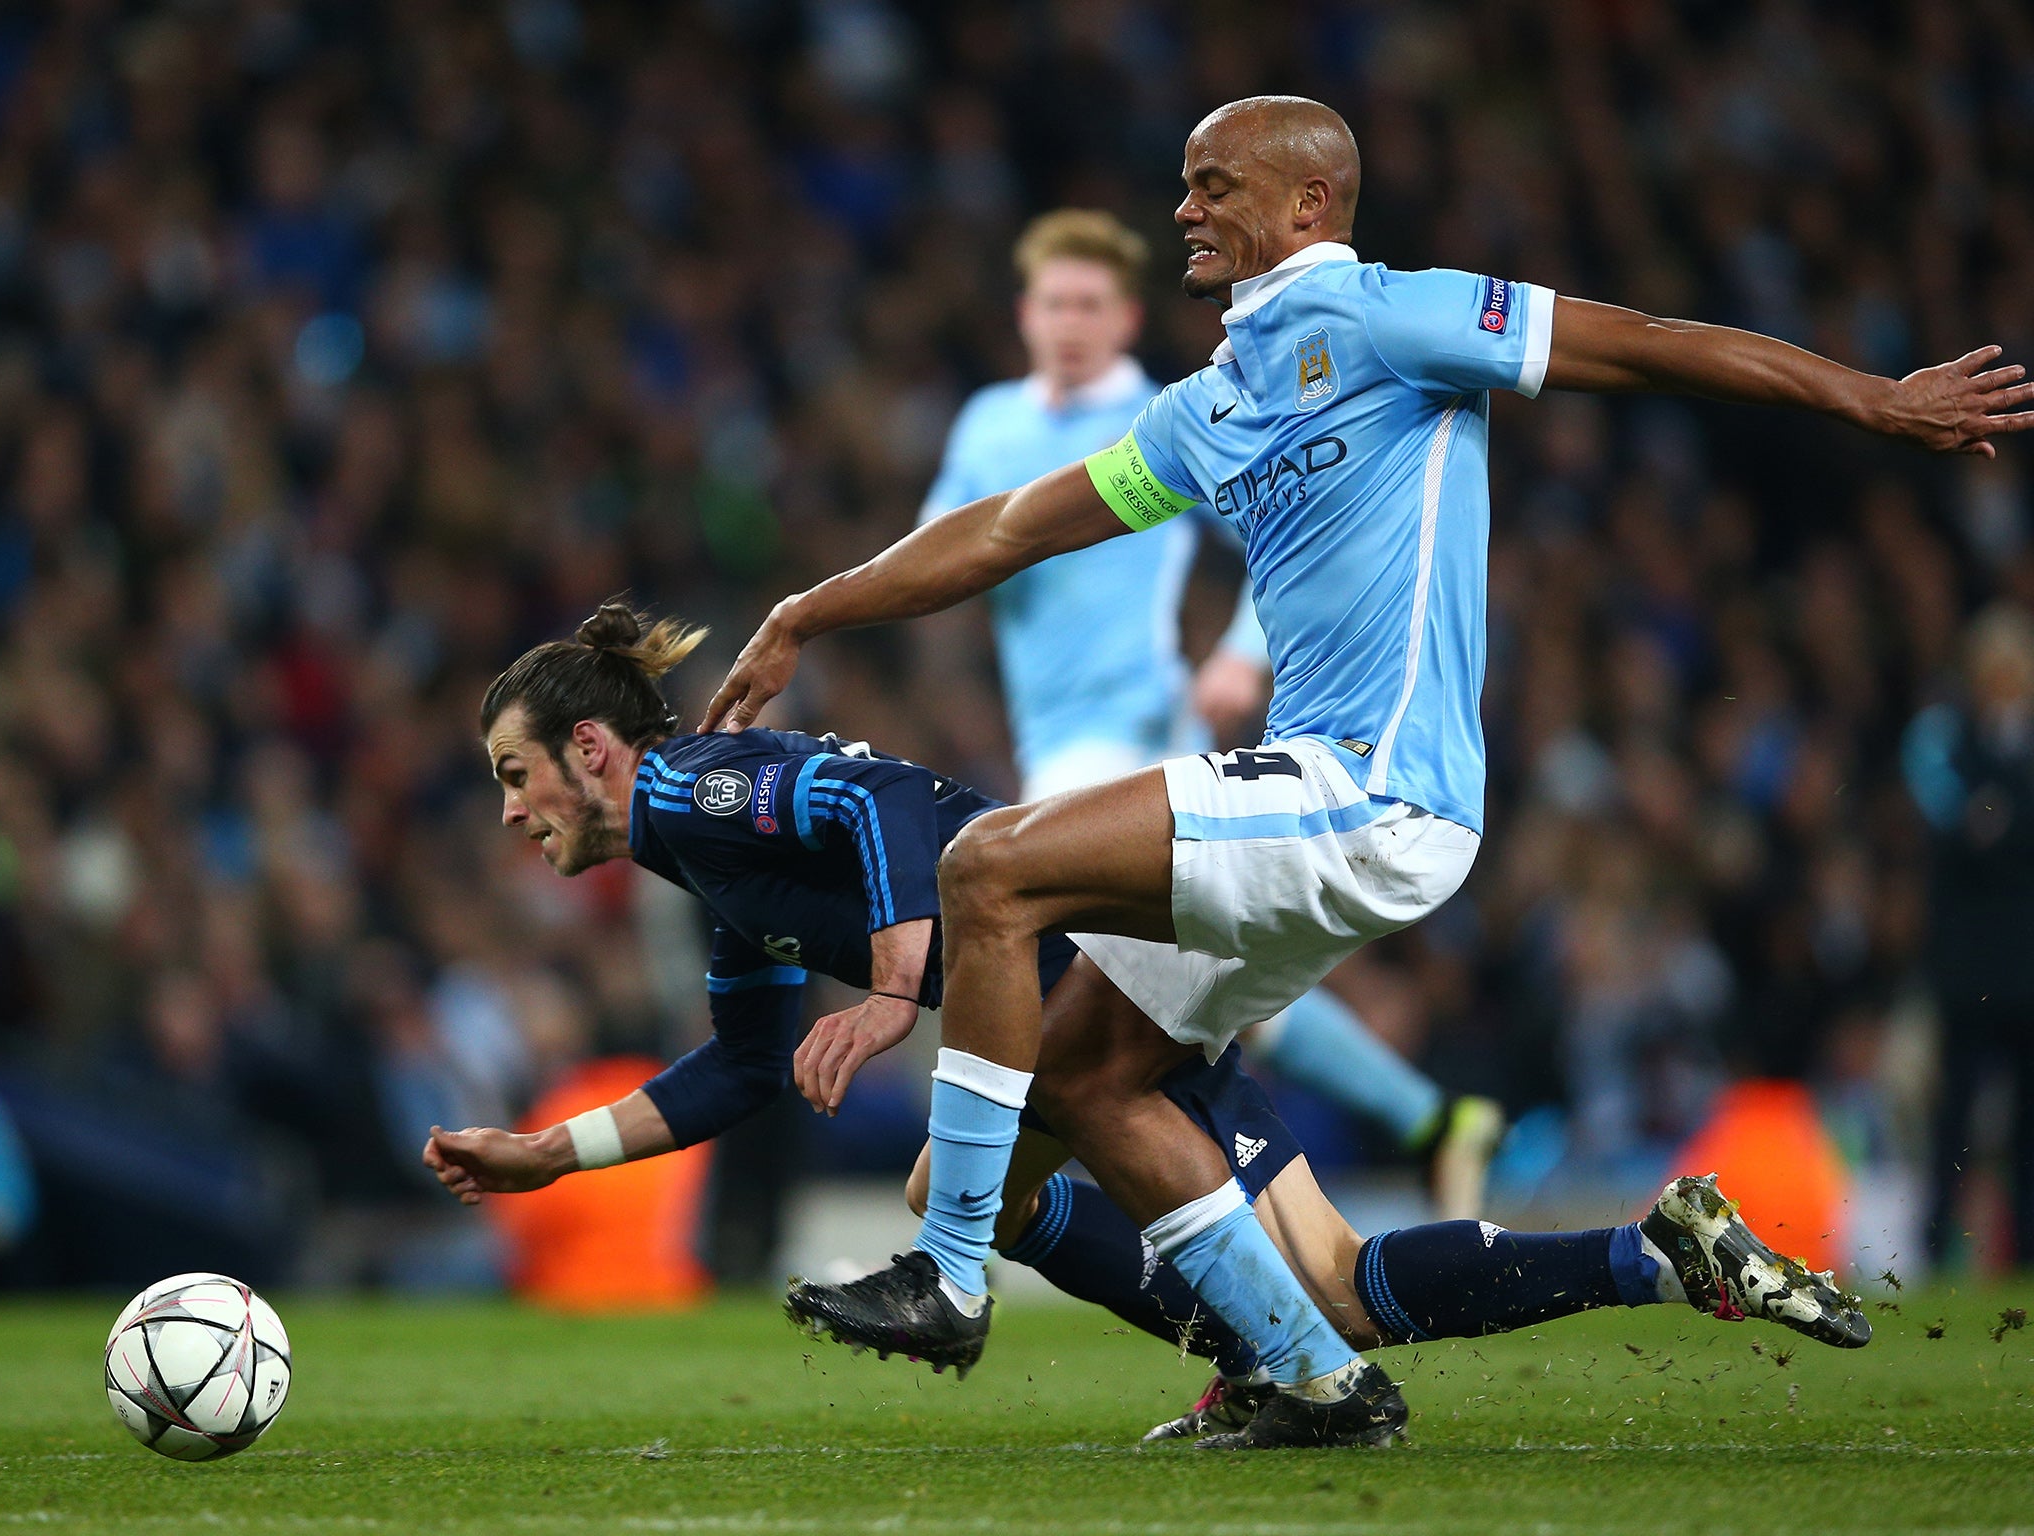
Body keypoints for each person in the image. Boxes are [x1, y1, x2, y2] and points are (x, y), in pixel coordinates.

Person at [701, 95, 2028, 1447]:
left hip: (1373, 792)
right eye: (1184, 185)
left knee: (988, 866)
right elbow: (1002, 533)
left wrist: (1869, 396)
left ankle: (953, 1273)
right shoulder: (1212, 405)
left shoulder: (1399, 318)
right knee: (1090, 1085)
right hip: (1318, 802)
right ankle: (1308, 1378)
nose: (1187, 210)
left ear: (1309, 206)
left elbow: (1649, 345)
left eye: (1216, 186)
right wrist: (810, 611)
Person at [426, 604, 1868, 1448]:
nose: (508, 811)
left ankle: (1274, 1374)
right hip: (1137, 962)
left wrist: (887, 983)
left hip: (1109, 949)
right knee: (1338, 1283)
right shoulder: (705, 868)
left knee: (966, 1187)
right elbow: (743, 1063)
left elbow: (893, 807)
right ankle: (1662, 1256)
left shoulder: (688, 793)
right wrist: (554, 1155)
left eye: (515, 773)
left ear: (597, 751)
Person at [922, 208, 1502, 1219]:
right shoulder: (988, 425)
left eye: (1089, 305)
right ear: (1024, 314)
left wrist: (1239, 652)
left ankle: (1006, 1214)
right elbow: (949, 538)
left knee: (1045, 940)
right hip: (1047, 733)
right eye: (1054, 303)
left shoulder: (1173, 410)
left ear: (1123, 316)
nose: (1069, 322)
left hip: (1133, 730)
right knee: (1193, 987)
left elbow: (1281, 535)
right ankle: (1424, 1120)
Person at [1903, 601, 2034, 1267]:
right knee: (1953, 1119)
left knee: (2025, 1126)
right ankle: (1934, 1244)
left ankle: (2023, 1251)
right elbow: (1959, 829)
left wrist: (1996, 821)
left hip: (2022, 968)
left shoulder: (1972, 751)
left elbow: (1987, 829)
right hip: (1969, 972)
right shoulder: (1947, 743)